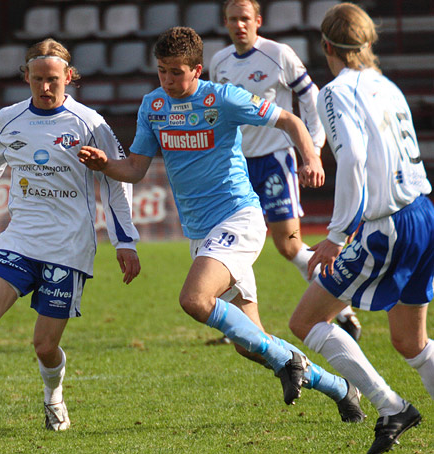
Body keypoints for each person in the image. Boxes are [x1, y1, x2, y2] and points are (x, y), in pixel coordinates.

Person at [78, 26, 364, 421]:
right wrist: (104, 164)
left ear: (197, 70)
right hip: (201, 234)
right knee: (250, 344)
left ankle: (289, 361)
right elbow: (136, 169)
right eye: (161, 71)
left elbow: (290, 121)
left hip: (238, 217)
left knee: (194, 300)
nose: (168, 81)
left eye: (176, 72)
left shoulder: (222, 98)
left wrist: (312, 157)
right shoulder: (153, 106)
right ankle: (340, 388)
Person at [0, 38, 140, 433]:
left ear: (69, 77)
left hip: (69, 247)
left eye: (53, 79)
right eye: (37, 78)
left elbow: (117, 181)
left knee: (44, 345)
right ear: (26, 76)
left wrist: (124, 241)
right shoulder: (7, 119)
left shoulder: (90, 123)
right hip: (19, 239)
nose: (45, 86)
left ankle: (53, 397)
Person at [288, 3, 433, 454]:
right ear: (367, 43)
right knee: (410, 341)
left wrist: (334, 235)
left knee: (306, 321)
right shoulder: (387, 86)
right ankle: (395, 408)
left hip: (388, 225)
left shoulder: (335, 91)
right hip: (424, 214)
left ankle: (392, 408)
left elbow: (349, 158)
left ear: (326, 46)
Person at [208, 0, 361, 341]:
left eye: (245, 18)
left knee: (289, 244)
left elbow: (311, 98)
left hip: (275, 162)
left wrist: (314, 149)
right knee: (232, 243)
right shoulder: (219, 62)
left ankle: (343, 306)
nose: (239, 25)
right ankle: (240, 325)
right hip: (236, 167)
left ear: (258, 21)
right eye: (233, 19)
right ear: (226, 23)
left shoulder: (278, 55)